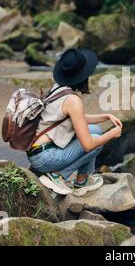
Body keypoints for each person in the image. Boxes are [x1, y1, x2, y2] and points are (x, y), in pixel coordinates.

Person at [27, 48, 122, 195]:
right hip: (45, 157)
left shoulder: (57, 88)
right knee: (96, 140)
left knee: (95, 129)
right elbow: (88, 145)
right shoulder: (73, 100)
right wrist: (112, 134)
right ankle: (58, 175)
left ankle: (82, 180)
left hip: (38, 150)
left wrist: (106, 116)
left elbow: (77, 119)